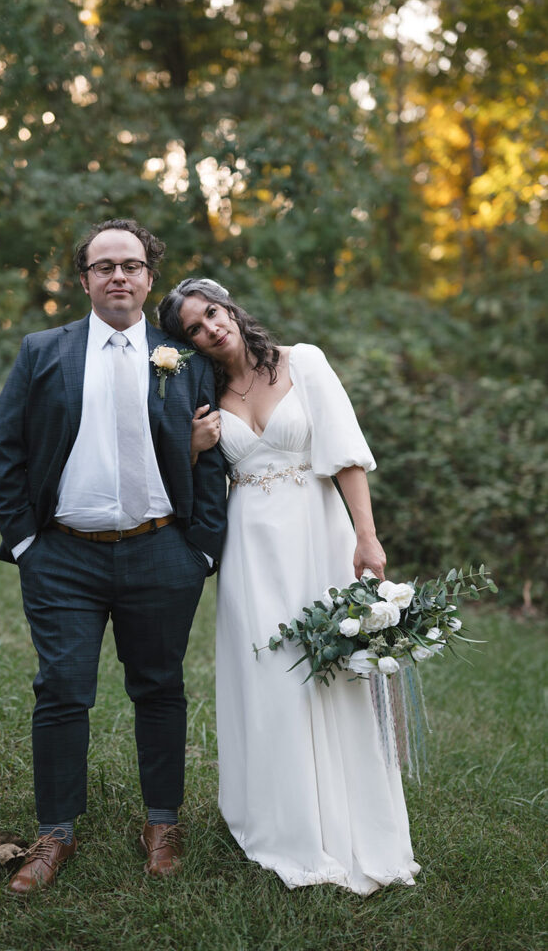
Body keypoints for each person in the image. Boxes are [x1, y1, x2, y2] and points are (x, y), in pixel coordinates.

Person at [157, 278, 420, 895]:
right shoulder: (203, 392)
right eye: (192, 329)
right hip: (251, 547)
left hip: (318, 533)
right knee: (271, 671)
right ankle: (281, 817)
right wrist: (192, 449)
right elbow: (182, 481)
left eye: (212, 314)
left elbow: (346, 454)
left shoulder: (304, 363)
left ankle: (353, 819)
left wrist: (367, 537)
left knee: (333, 665)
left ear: (230, 309)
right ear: (186, 343)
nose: (209, 329)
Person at [0, 222, 227, 892]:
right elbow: (6, 451)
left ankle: (161, 824)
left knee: (158, 687)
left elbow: (211, 463)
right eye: (103, 267)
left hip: (162, 553)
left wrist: (200, 552)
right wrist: (27, 542)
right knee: (61, 690)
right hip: (62, 556)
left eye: (130, 265)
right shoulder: (43, 351)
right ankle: (54, 833)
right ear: (85, 280)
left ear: (149, 276)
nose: (117, 276)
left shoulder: (183, 358)